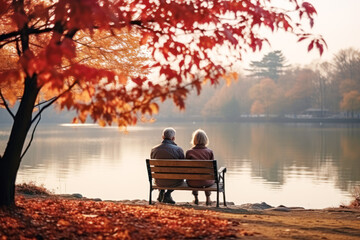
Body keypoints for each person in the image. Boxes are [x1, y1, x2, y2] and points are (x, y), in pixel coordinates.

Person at [150, 127, 185, 204]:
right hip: (174, 181)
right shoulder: (178, 150)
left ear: (163, 137)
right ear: (173, 138)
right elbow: (183, 167)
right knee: (179, 175)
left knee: (161, 171)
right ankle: (168, 194)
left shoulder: (154, 149)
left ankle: (162, 191)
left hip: (159, 181)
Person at [185, 129, 215, 206]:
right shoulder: (209, 152)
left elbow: (187, 169)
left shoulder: (189, 152)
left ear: (194, 140)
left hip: (192, 182)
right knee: (206, 176)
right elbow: (212, 169)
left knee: (194, 175)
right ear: (205, 139)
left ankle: (196, 198)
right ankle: (208, 198)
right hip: (207, 182)